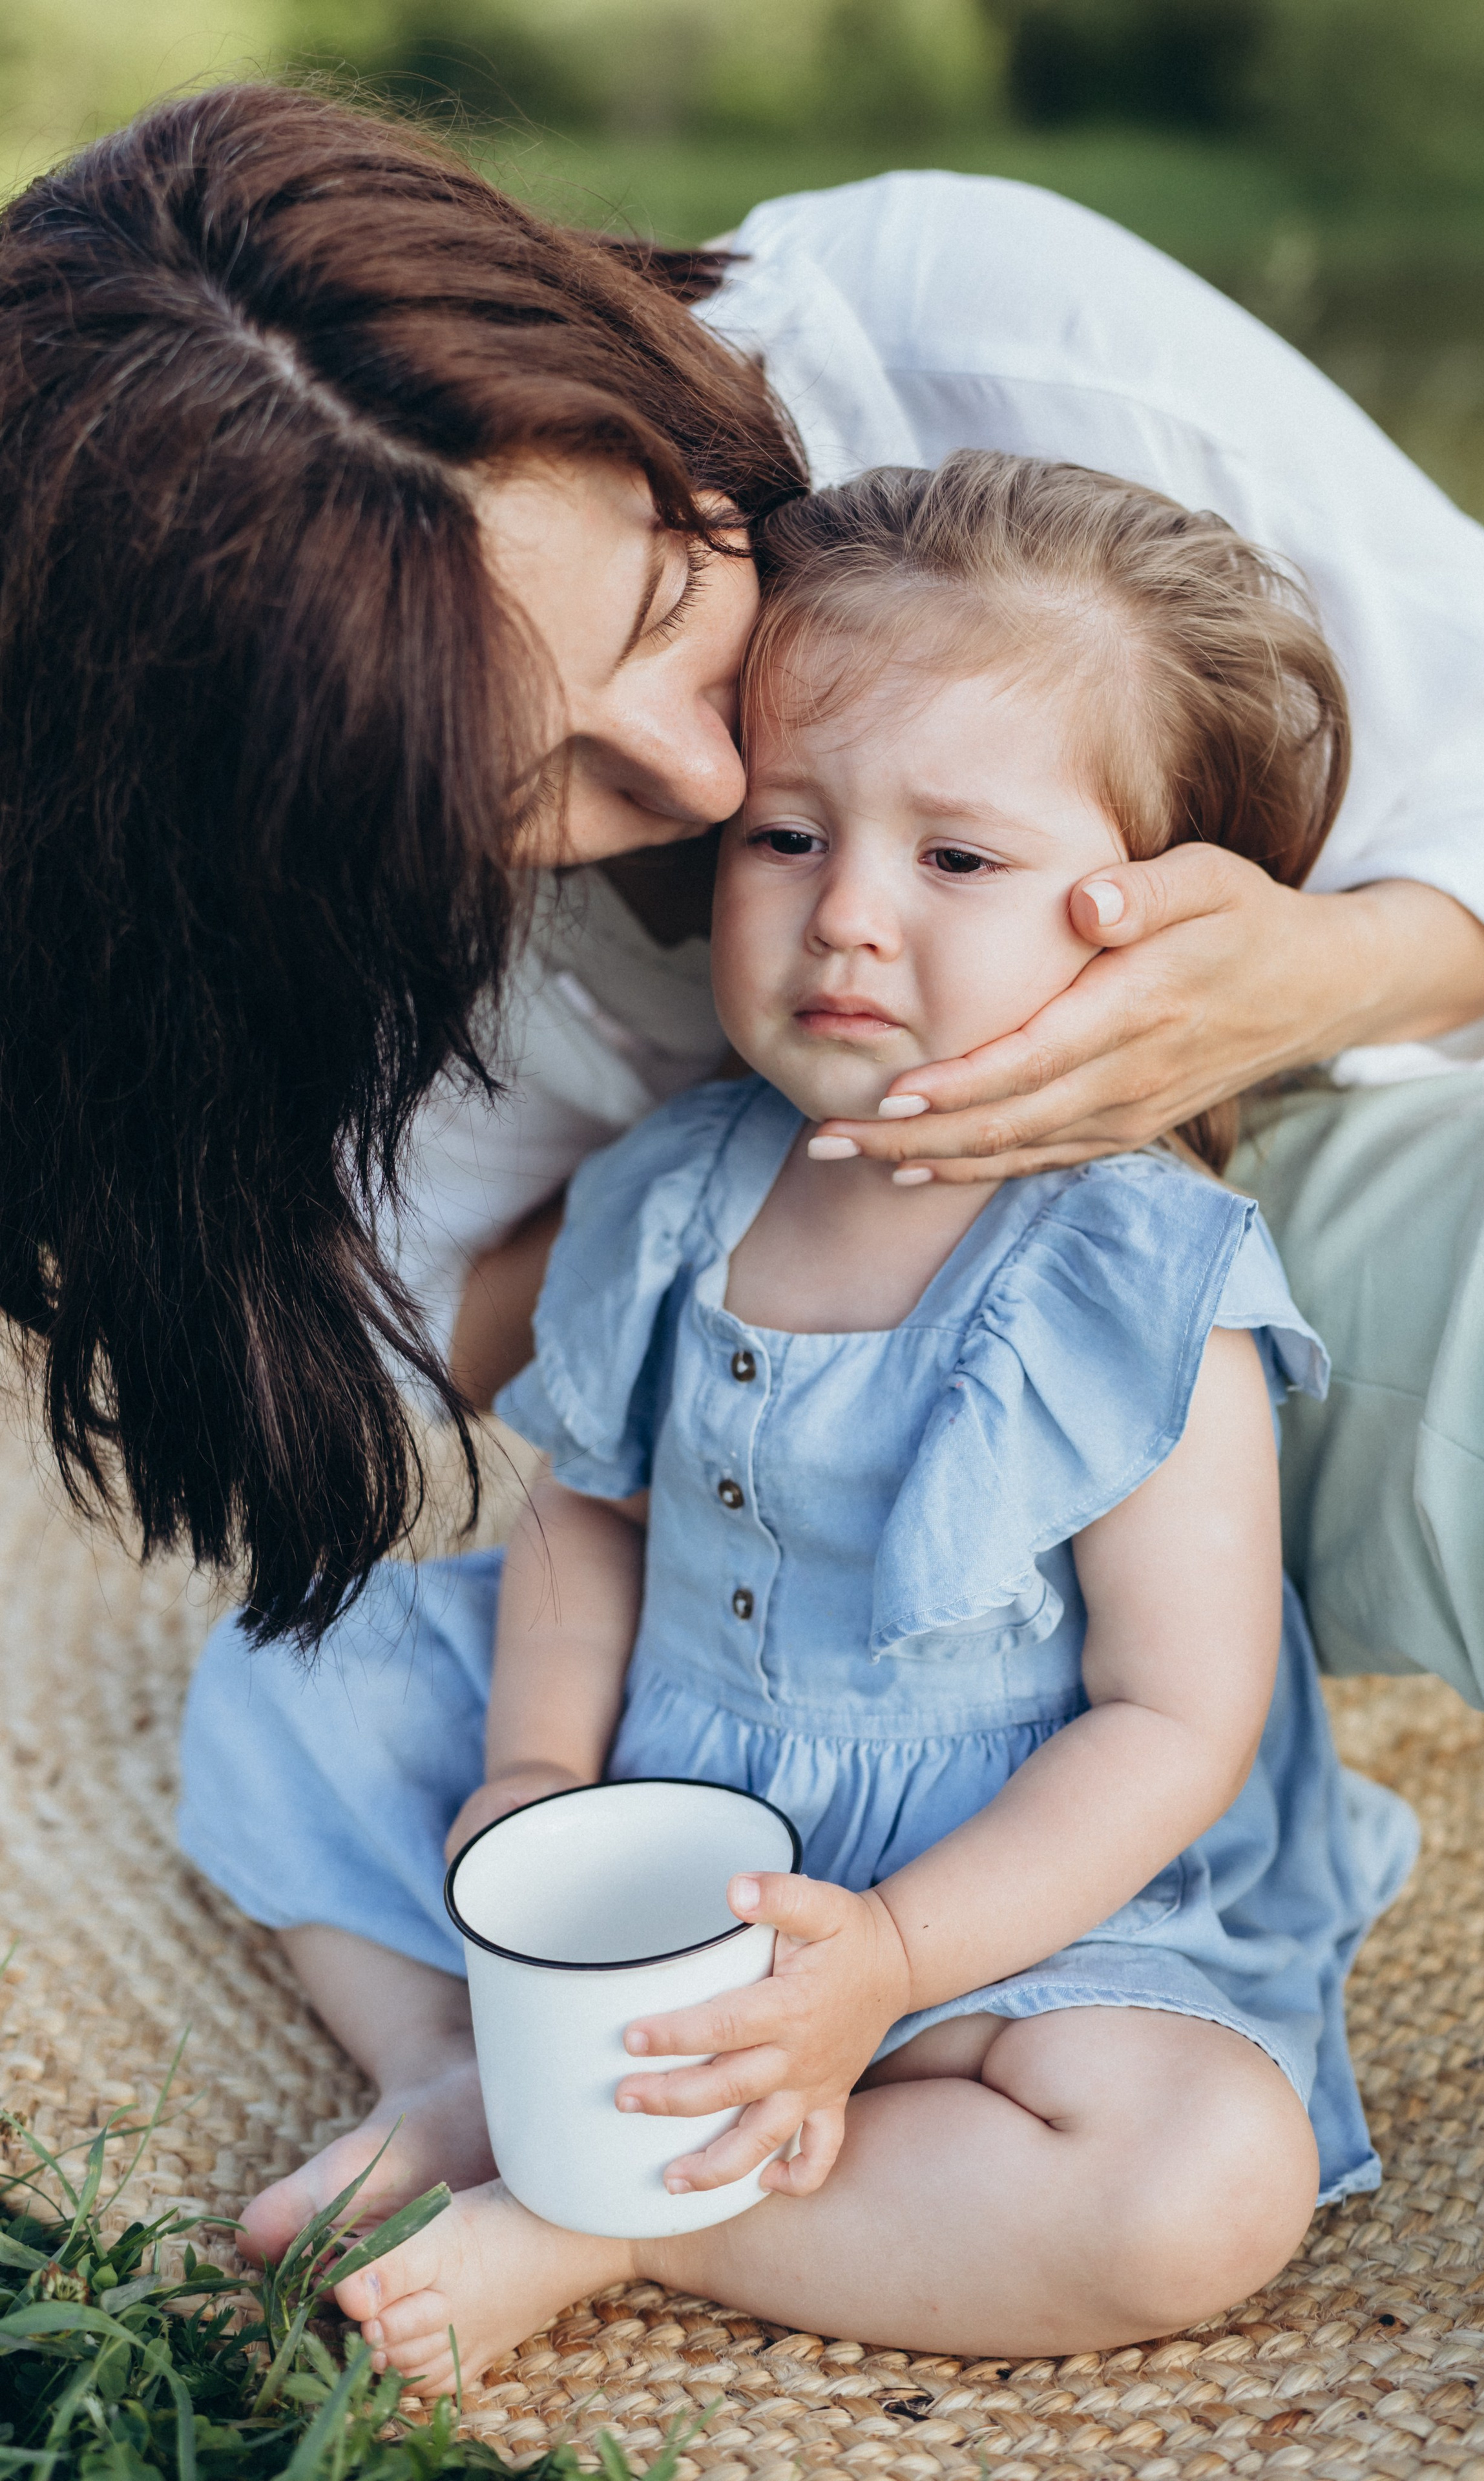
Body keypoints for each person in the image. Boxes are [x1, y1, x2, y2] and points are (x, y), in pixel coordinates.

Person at [1, 92, 1484, 2009]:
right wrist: (738, 1215)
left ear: (620, 380)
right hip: (773, 1505)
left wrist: (1308, 976)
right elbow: (412, 1333)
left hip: (1290, 1219)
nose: (701, 780)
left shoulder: (960, 334)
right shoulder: (249, 924)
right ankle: (563, 2113)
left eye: (664, 600)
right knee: (329, 1689)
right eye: (515, 784)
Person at [181, 454, 1419, 2376]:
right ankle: (473, 2069)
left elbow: (1176, 1718)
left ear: (1143, 920)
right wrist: (530, 1781)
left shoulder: (1134, 1273)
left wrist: (899, 1965)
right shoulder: (671, 1187)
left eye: (956, 859)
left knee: (1198, 2179)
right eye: (787, 837)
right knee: (290, 1672)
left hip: (992, 1886)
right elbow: (595, 1512)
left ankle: (624, 2225)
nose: (848, 917)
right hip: (668, 1792)